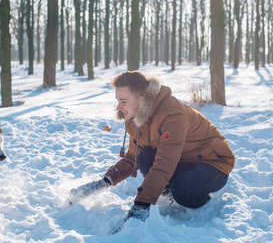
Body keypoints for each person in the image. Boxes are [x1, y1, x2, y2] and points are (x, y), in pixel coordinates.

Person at [71, 70, 235, 227]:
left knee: (183, 192)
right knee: (144, 156)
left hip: (213, 163)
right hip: (182, 159)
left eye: (123, 101)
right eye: (118, 101)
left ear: (141, 99)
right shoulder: (136, 117)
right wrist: (104, 182)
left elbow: (165, 162)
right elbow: (132, 158)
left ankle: (199, 200)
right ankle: (172, 193)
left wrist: (141, 204)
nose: (118, 107)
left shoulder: (172, 115)